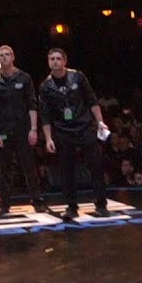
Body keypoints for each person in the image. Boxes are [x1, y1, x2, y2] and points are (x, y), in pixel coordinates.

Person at [39, 48, 110, 219]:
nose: (55, 61)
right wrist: (48, 138)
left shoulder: (78, 77)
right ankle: (71, 206)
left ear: (64, 61)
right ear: (48, 62)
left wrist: (100, 122)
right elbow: (45, 115)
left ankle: (101, 204)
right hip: (63, 131)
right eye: (51, 59)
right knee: (67, 170)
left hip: (84, 126)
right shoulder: (46, 86)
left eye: (58, 58)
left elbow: (92, 100)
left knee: (96, 165)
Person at [0, 45, 46, 216]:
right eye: (1, 55)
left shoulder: (24, 78)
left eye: (7, 54)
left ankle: (37, 200)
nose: (4, 57)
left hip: (23, 128)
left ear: (13, 57)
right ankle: (4, 203)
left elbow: (32, 104)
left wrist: (33, 129)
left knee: (29, 166)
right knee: (4, 169)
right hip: (3, 130)